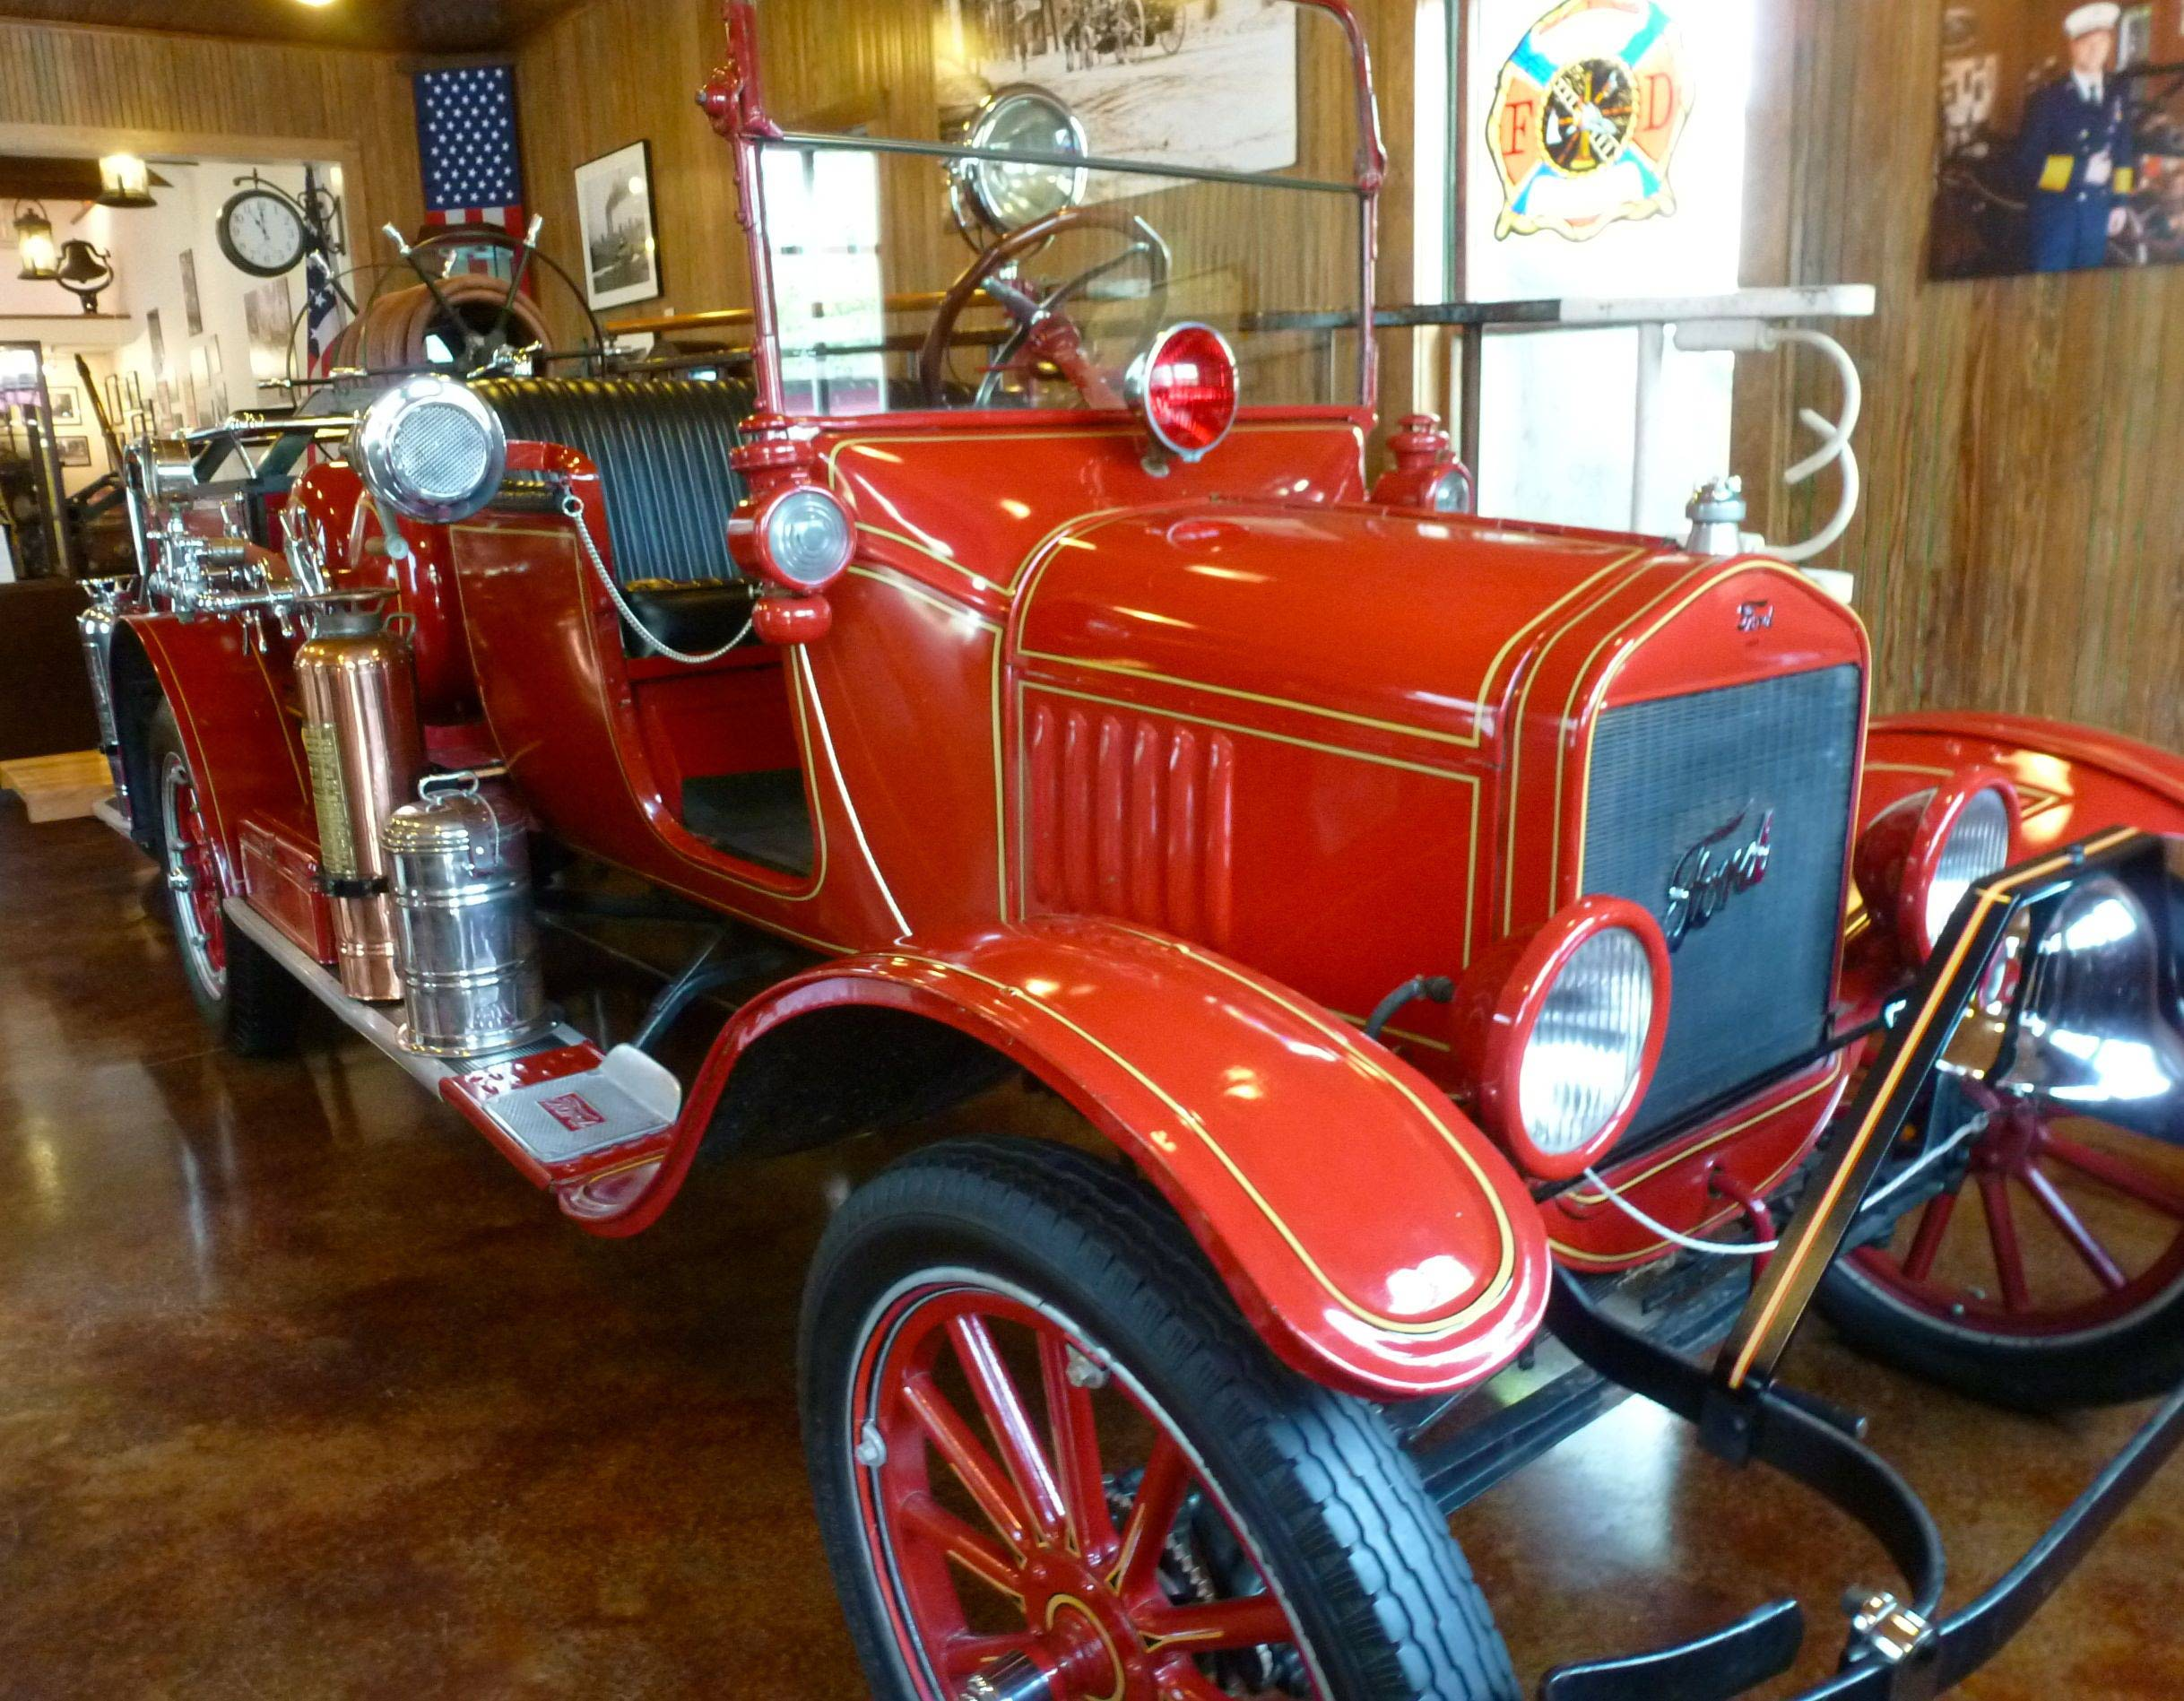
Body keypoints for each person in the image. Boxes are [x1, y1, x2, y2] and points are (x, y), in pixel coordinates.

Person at [2020, 2, 2136, 272]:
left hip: (2097, 216)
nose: (2096, 50)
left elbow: (2123, 151)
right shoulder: (2048, 98)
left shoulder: (2117, 95)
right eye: (2087, 43)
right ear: (2072, 46)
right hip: (2056, 220)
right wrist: (2081, 171)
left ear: (2109, 44)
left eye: (2102, 41)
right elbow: (2026, 164)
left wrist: (2119, 202)